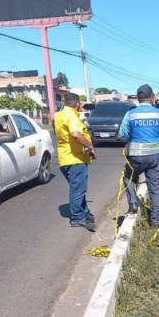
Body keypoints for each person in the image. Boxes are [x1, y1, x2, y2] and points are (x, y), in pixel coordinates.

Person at [118, 84, 159, 226]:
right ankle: (155, 222)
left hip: (136, 156)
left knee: (128, 177)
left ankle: (133, 203)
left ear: (138, 98)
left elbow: (122, 135)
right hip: (156, 156)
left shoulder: (131, 113)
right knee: (155, 188)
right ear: (152, 97)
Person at [54, 93, 96, 230]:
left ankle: (84, 213)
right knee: (78, 190)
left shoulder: (59, 115)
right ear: (77, 104)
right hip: (75, 159)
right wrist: (90, 146)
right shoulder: (71, 116)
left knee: (78, 189)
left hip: (64, 157)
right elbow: (76, 134)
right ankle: (77, 218)